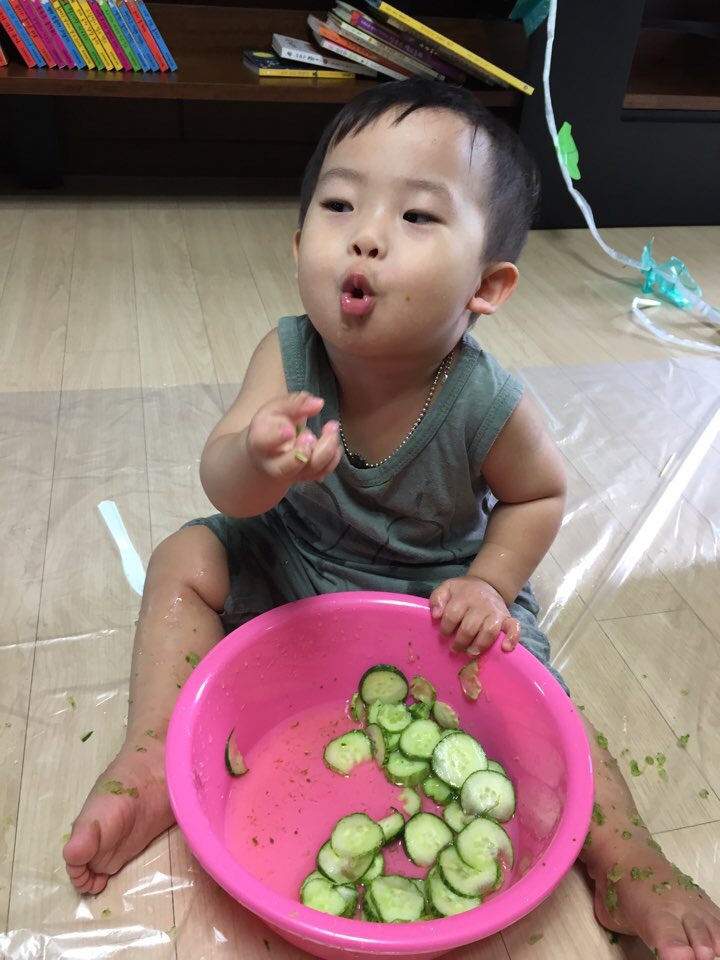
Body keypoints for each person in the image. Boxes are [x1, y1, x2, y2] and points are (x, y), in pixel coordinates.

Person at [63, 79, 720, 959]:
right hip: (296, 563)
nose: (365, 235)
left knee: (544, 695)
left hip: (434, 594)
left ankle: (627, 860)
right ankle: (152, 756)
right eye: (339, 205)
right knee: (184, 554)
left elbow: (538, 497)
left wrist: (489, 586)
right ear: (300, 244)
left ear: (487, 285)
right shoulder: (288, 354)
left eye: (417, 217)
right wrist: (255, 458)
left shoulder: (485, 400)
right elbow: (224, 486)